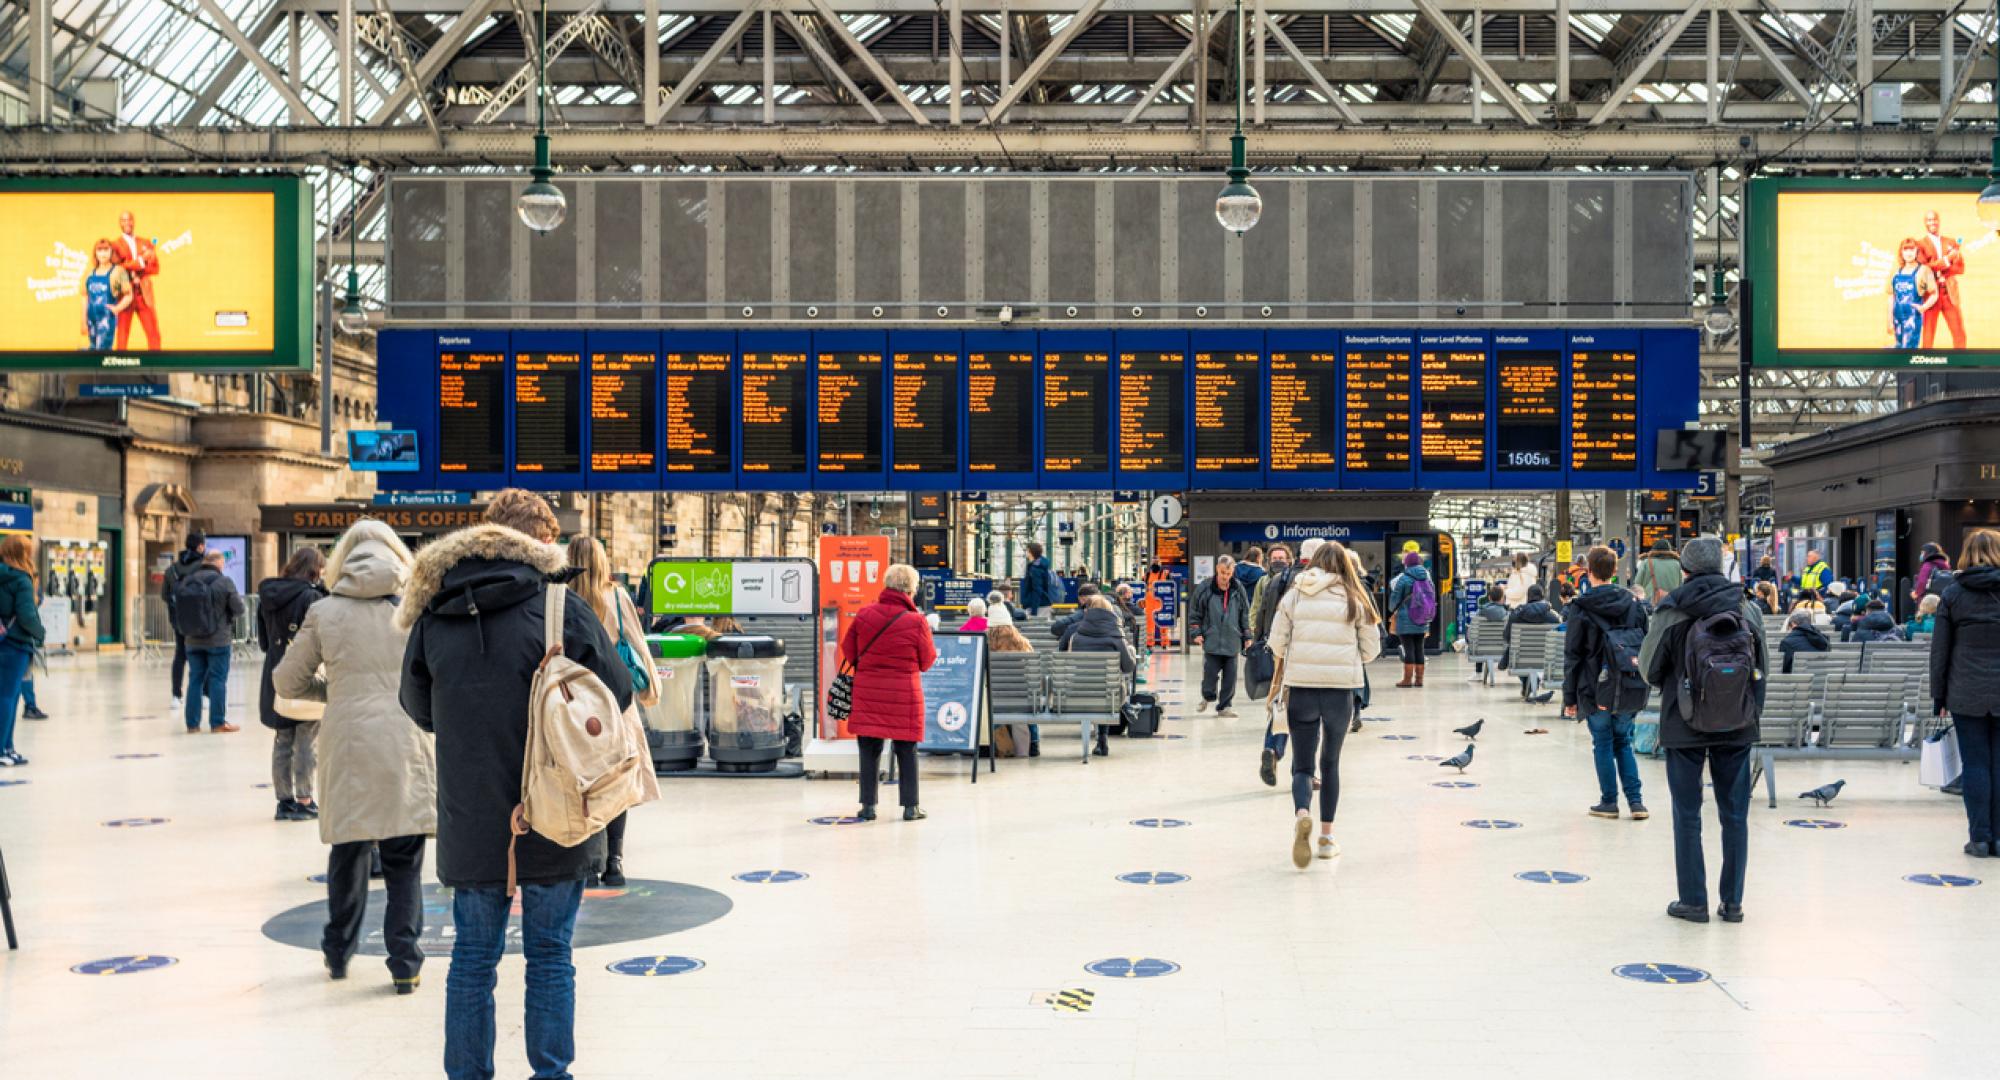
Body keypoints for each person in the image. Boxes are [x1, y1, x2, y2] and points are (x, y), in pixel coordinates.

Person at [399, 489, 633, 1080]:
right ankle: (551, 1074)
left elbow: (416, 703)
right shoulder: (561, 606)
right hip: (558, 811)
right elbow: (620, 692)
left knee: (472, 960)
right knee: (550, 955)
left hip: (471, 817)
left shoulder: (435, 609)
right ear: (542, 542)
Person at [275, 521, 433, 993]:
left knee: (348, 849)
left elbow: (286, 682)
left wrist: (334, 691)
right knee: (404, 858)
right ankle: (405, 962)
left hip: (347, 741)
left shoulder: (324, 612)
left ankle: (338, 948)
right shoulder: (415, 608)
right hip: (407, 739)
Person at [1639, 537, 1767, 924]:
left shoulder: (1672, 610)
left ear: (1685, 570)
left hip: (1684, 722)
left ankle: (1693, 902)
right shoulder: (1747, 608)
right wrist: (1750, 713)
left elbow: (1648, 669)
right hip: (1737, 723)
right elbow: (1762, 669)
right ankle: (1732, 903)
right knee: (1735, 815)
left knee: (1688, 813)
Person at [1267, 540, 1381, 866]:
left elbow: (1276, 641)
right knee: (1330, 763)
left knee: (1303, 765)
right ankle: (1327, 838)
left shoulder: (1295, 594)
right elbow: (1371, 651)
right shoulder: (1355, 597)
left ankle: (1303, 813)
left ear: (1312, 563)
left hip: (1301, 688)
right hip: (1339, 692)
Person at [566, 536, 661, 889]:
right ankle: (614, 861)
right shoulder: (617, 598)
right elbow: (637, 645)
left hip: (574, 706)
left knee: (584, 782)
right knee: (617, 781)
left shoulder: (561, 599)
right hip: (616, 704)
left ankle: (588, 863)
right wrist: (651, 690)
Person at [841, 563, 937, 821]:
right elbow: (927, 661)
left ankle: (869, 806)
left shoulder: (864, 614)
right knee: (907, 751)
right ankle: (910, 807)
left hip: (868, 692)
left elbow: (848, 650)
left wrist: (869, 667)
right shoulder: (917, 621)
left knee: (869, 749)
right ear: (910, 590)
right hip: (904, 696)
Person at [1564, 545, 1651, 822]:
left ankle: (1609, 803)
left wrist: (1569, 698)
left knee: (1602, 741)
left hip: (1594, 686)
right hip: (1628, 683)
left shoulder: (1580, 607)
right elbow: (1645, 645)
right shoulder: (1635, 605)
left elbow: (1573, 655)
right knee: (1623, 741)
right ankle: (1636, 803)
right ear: (1615, 572)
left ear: (1588, 572)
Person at [1929, 528, 2000, 857]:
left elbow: (1940, 651)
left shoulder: (1953, 593)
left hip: (1965, 690)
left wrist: (1938, 696)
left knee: (1974, 764)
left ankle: (1980, 838)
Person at [257, 547, 328, 821]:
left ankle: (283, 801)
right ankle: (305, 799)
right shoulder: (312, 597)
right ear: (314, 569)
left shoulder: (267, 595)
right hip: (305, 672)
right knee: (307, 739)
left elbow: (263, 642)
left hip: (275, 671)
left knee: (282, 738)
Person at [1252, 541, 1313, 782]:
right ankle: (1304, 772)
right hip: (1311, 657)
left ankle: (1272, 749)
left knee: (1282, 707)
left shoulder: (1277, 580)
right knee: (1311, 720)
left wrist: (1260, 642)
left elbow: (1263, 613)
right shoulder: (1319, 583)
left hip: (1284, 655)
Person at [175, 549, 245, 734]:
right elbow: (239, 609)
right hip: (218, 640)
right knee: (218, 680)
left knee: (195, 680)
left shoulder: (188, 581)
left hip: (192, 639)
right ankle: (217, 723)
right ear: (219, 563)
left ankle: (192, 724)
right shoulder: (224, 582)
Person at [1066, 595, 1137, 756]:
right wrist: (1131, 652)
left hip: (1079, 692)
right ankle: (1103, 738)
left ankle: (1100, 739)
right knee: (1109, 686)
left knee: (1096, 686)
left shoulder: (1076, 636)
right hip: (1111, 695)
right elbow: (1128, 667)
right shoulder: (1117, 637)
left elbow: (1070, 665)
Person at [0, 535, 44, 767]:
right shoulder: (22, 580)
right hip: (15, 643)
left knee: (7, 696)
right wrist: (41, 633)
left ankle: (7, 747)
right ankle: (3, 748)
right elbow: (27, 615)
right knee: (8, 697)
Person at [1191, 555, 1251, 716]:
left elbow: (1245, 613)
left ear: (1233, 572)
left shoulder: (1238, 589)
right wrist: (1196, 633)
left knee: (1230, 678)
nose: (1225, 577)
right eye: (1223, 572)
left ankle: (1224, 706)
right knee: (1210, 675)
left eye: (1229, 573)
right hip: (1212, 639)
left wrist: (1247, 636)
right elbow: (1195, 612)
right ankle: (1207, 696)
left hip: (1233, 640)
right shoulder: (1205, 587)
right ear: (1217, 569)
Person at [163, 531, 206, 709]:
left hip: (179, 620)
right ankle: (204, 695)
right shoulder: (203, 567)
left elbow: (165, 595)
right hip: (201, 619)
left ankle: (176, 695)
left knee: (180, 655)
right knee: (204, 655)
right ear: (200, 547)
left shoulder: (172, 570)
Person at [1387, 552, 1437, 688]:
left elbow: (1395, 599)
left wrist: (1392, 608)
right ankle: (1419, 680)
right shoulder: (1427, 578)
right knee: (1419, 648)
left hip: (1406, 618)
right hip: (1422, 618)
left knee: (1408, 649)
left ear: (1407, 563)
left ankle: (1407, 680)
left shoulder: (1403, 578)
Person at [113, 211, 161, 350]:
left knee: (154, 334)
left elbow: (155, 268)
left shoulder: (146, 242)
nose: (127, 222)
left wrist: (137, 274)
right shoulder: (115, 245)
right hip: (125, 294)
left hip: (143, 294)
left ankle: (156, 366)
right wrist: (140, 261)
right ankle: (119, 369)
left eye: (129, 219)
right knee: (122, 335)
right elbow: (118, 268)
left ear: (134, 221)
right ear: (120, 223)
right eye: (123, 220)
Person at [1919, 210, 1967, 350]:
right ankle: (1924, 367)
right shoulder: (1920, 244)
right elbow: (1924, 269)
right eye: (1929, 220)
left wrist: (1941, 272)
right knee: (1928, 336)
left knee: (1960, 334)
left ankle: (1960, 365)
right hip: (1931, 295)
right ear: (1925, 223)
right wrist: (1947, 260)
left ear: (1939, 221)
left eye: (1934, 219)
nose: (1932, 222)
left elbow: (1960, 268)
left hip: (1949, 294)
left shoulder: (1951, 242)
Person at [1503, 584, 1561, 697]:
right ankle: (1533, 682)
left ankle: (1526, 683)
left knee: (1519, 652)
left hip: (1520, 660)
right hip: (1546, 659)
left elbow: (1506, 636)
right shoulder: (1553, 617)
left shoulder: (1516, 615)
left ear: (1528, 596)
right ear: (1542, 596)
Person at [1889, 237, 1941, 348]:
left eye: (1912, 249)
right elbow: (1891, 297)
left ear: (1917, 251)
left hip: (1912, 318)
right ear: (1901, 252)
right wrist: (1889, 320)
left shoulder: (1924, 270)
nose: (1909, 253)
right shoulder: (1895, 272)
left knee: (1908, 350)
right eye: (1905, 249)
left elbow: (1934, 293)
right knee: (1898, 347)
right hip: (1896, 318)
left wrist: (1924, 307)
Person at [82, 238, 132, 350]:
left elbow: (129, 295)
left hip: (106, 320)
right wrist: (83, 321)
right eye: (100, 250)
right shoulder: (89, 273)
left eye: (106, 250)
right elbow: (85, 297)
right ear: (95, 253)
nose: (103, 253)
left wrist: (118, 308)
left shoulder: (118, 271)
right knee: (93, 348)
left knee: (103, 352)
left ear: (111, 252)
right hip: (91, 319)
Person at [1632, 538, 1684, 605]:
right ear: (1670, 551)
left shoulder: (1646, 563)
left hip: (1650, 604)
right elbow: (1680, 586)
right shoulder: (1676, 564)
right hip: (1671, 604)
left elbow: (1637, 584)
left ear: (1653, 550)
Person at [1020, 541, 1057, 615]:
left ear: (1031, 552)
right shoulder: (1039, 565)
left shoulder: (1035, 569)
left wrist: (1034, 611)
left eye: (1027, 551)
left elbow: (1037, 589)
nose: (1026, 553)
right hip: (1041, 603)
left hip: (1038, 605)